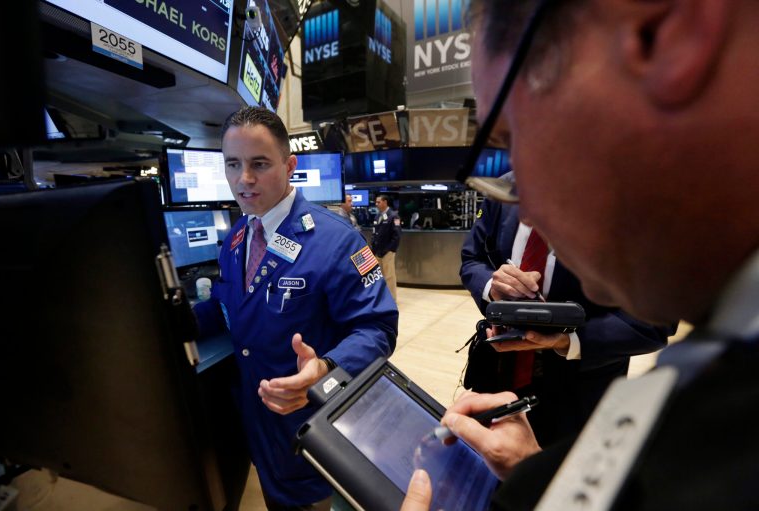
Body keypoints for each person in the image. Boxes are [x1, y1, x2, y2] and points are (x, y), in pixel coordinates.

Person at [402, 0, 759, 509]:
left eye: (515, 134)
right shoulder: (716, 362)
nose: (527, 212)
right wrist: (535, 475)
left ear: (664, 33)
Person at [194, 106, 398, 510]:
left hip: (312, 428)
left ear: (290, 166)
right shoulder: (236, 238)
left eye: (260, 164)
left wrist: (323, 369)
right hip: (259, 427)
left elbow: (377, 329)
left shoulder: (338, 240)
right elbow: (228, 305)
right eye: (232, 164)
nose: (244, 179)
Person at [461, 198, 670, 446]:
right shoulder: (503, 190)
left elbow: (653, 323)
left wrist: (568, 340)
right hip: (498, 369)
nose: (527, 217)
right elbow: (472, 258)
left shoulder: (631, 207)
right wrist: (492, 287)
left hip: (578, 387)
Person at [371, 194, 401, 300]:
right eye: (376, 202)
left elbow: (396, 236)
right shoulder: (377, 216)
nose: (376, 204)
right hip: (377, 252)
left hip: (387, 252)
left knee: (389, 276)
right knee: (380, 277)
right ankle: (383, 298)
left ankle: (392, 299)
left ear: (385, 202)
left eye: (378, 202)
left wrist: (390, 249)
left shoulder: (394, 216)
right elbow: (375, 233)